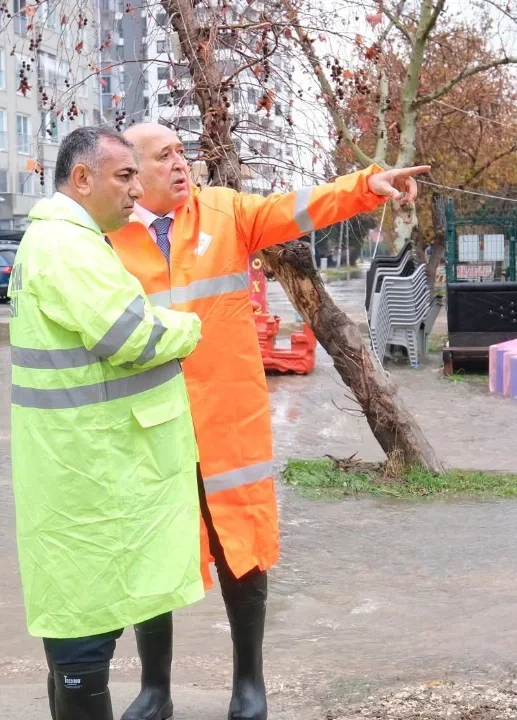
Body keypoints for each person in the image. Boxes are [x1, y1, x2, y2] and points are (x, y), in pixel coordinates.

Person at [107, 122, 429, 720]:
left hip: (229, 420)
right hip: (148, 423)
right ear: (131, 173)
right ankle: (155, 689)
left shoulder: (225, 213)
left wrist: (368, 185)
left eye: (184, 152)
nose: (182, 164)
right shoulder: (106, 237)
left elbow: (297, 209)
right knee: (150, 553)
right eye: (164, 157)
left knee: (243, 550)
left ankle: (248, 684)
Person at [8, 126, 207, 720]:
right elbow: (129, 334)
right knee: (84, 632)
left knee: (80, 621)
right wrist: (188, 327)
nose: (136, 190)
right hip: (92, 471)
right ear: (82, 178)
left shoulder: (65, 241)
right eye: (124, 177)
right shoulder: (68, 247)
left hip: (83, 463)